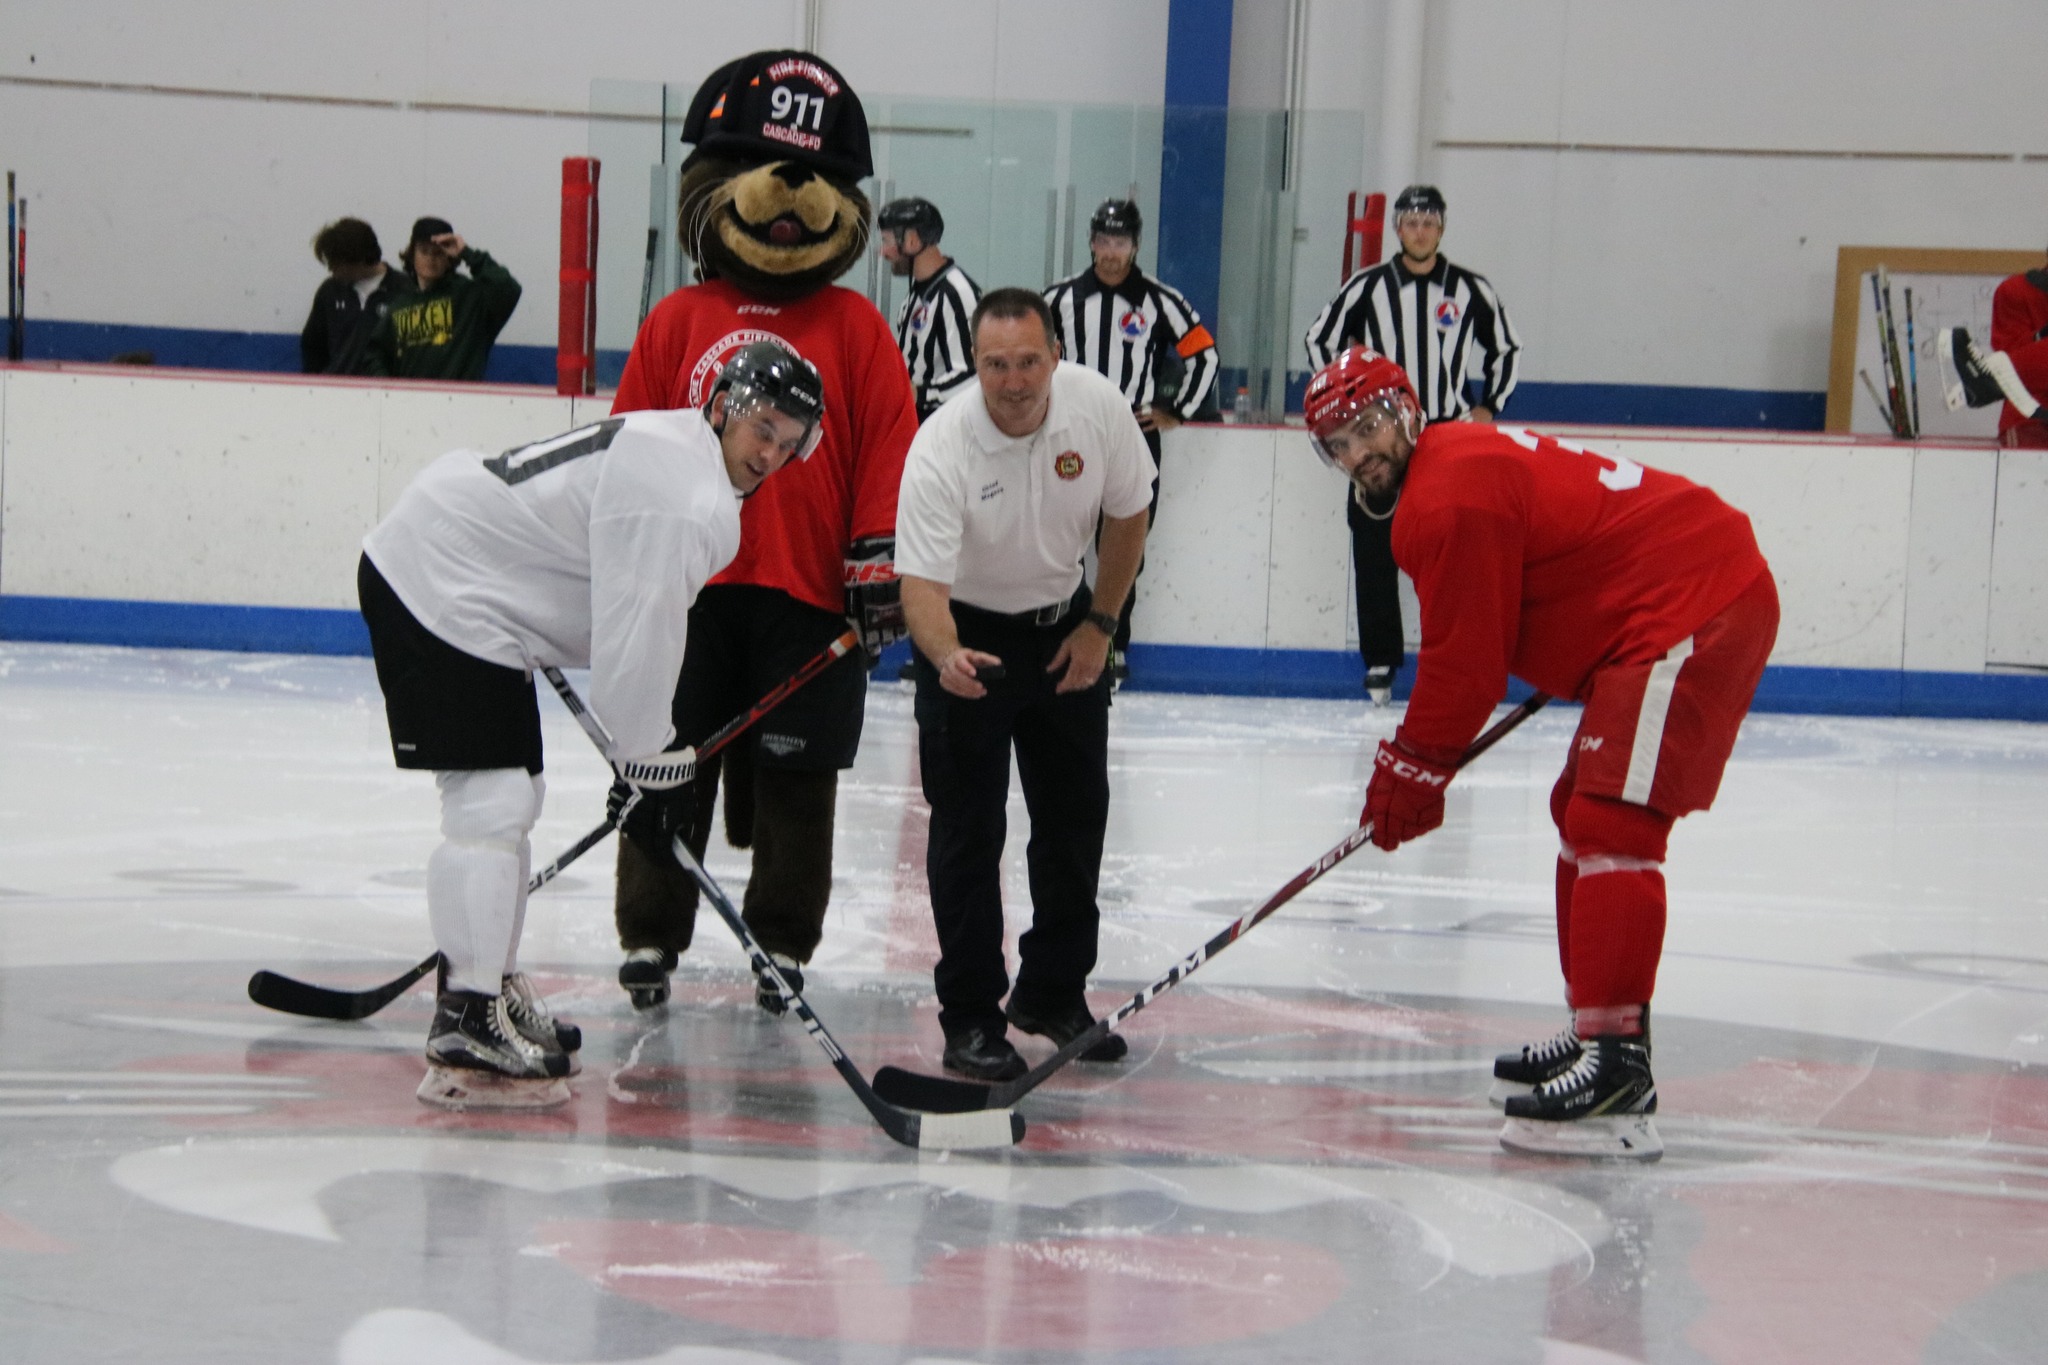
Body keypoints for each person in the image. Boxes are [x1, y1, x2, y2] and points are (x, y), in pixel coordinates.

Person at [1302, 345, 1777, 1161]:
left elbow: (1466, 664)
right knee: (1578, 810)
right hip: (1661, 606)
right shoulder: (1450, 466)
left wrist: (1411, 769)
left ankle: (1618, 1069)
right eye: (1338, 444)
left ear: (1408, 411)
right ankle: (1595, 1028)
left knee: (1614, 821)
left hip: (1694, 603)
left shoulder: (1444, 497)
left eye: (1368, 426)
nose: (1358, 453)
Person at [357, 343, 825, 1109]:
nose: (770, 451)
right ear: (721, 408)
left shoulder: (688, 466)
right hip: (440, 577)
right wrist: (650, 762)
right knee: (492, 802)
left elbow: (631, 624)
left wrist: (648, 761)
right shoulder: (680, 490)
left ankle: (486, 985)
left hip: (474, 581)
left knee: (512, 797)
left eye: (789, 439)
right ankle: (468, 1014)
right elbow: (634, 647)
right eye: (762, 427)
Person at [606, 49, 919, 1015]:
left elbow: (890, 445)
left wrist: (879, 559)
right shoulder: (678, 318)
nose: (790, 193)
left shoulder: (858, 325)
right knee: (667, 762)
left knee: (798, 777)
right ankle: (651, 928)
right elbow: (625, 445)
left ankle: (781, 938)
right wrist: (626, 560)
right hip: (690, 591)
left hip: (810, 594)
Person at [895, 287, 1154, 1081]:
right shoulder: (942, 445)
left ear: (1056, 356)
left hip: (1065, 629)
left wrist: (1100, 623)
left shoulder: (1097, 409)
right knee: (968, 833)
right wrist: (946, 655)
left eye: (1029, 362)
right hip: (967, 637)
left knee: (1075, 819)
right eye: (996, 364)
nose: (1013, 381)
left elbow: (1129, 512)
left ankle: (1053, 992)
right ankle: (972, 1016)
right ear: (975, 364)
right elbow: (921, 585)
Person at [1304, 185, 1521, 706]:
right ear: (1397, 228)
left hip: (1447, 435)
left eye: (1428, 222)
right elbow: (1319, 339)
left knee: (1461, 550)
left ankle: (1460, 656)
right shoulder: (1367, 287)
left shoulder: (1470, 289)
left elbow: (1506, 349)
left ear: (1440, 228)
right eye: (1410, 222)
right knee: (1374, 543)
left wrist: (1488, 407)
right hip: (1381, 437)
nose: (1419, 231)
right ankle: (1381, 660)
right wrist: (1347, 406)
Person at [1044, 199, 1217, 683]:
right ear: (1091, 242)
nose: (1110, 251)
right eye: (1103, 240)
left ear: (1136, 245)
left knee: (1124, 546)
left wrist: (1177, 410)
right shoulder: (1058, 299)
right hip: (1070, 434)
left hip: (1133, 437)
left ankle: (1112, 643)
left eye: (1120, 241)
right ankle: (1059, 639)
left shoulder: (1160, 300)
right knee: (1061, 542)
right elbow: (1029, 352)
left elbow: (1204, 355)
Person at [358, 217, 521, 381]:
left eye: (438, 252)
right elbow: (375, 354)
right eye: (424, 251)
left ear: (450, 258)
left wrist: (467, 253)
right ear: (412, 255)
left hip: (459, 396)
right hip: (410, 396)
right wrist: (388, 387)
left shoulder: (471, 297)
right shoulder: (400, 305)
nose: (430, 258)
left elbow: (508, 287)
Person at [877, 197, 982, 422]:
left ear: (912, 241)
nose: (883, 252)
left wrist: (918, 394)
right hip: (916, 420)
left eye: (887, 241)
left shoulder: (956, 293)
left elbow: (971, 376)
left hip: (940, 425)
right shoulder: (918, 291)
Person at [1938, 254, 2048, 446]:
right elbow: (2009, 350)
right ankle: (1989, 379)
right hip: (2030, 421)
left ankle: (1988, 379)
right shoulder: (2016, 290)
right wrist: (2040, 335)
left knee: (1999, 372)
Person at [300, 217, 410, 375]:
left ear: (359, 259)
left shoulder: (405, 291)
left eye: (336, 263)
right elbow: (313, 347)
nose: (331, 270)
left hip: (386, 387)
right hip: (335, 386)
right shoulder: (329, 291)